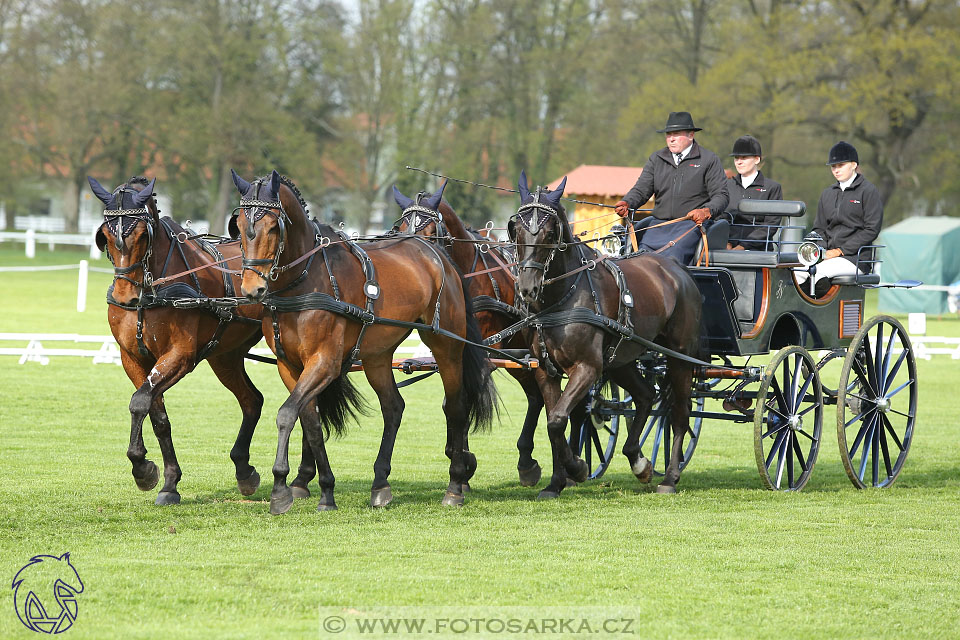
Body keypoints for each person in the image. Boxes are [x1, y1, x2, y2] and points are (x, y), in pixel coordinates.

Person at [614, 111, 729, 264]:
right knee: (641, 260)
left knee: (671, 258)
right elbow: (641, 189)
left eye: (676, 134)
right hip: (659, 225)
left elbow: (721, 195)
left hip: (691, 225)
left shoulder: (708, 160)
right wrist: (627, 203)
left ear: (691, 135)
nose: (671, 139)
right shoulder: (656, 159)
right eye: (668, 135)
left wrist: (706, 211)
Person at [795, 141, 883, 293]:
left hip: (855, 259)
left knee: (817, 273)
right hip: (827, 256)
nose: (836, 170)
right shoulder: (827, 193)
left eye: (840, 165)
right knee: (795, 271)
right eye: (833, 166)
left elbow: (871, 229)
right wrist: (820, 251)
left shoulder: (868, 191)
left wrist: (840, 251)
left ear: (854, 164)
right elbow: (819, 228)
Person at [725, 135, 783, 250]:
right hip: (727, 248)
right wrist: (726, 243)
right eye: (736, 158)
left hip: (758, 249)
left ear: (757, 159)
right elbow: (721, 219)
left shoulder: (772, 187)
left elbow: (770, 225)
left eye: (744, 157)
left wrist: (743, 246)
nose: (739, 162)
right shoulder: (726, 186)